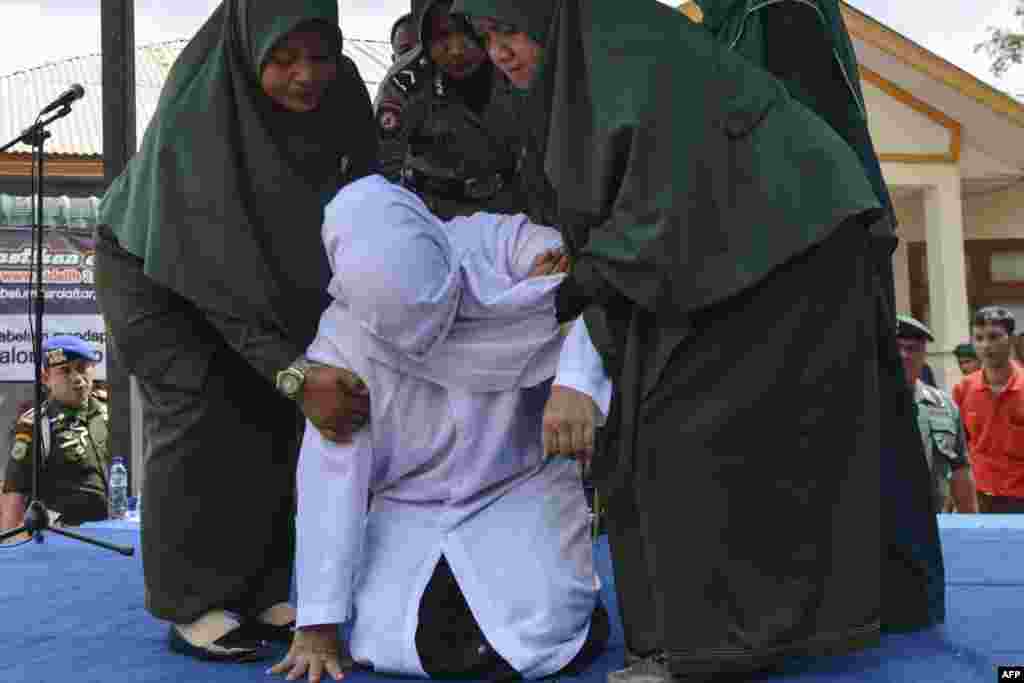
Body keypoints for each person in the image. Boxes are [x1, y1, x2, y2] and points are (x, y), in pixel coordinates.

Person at [460, 2, 889, 680]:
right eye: (487, 38)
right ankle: (673, 643)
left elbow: (658, 212)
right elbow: (623, 215)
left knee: (679, 430)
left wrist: (583, 305)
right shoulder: (578, 67)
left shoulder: (626, 48)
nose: (500, 52)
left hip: (788, 237)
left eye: (511, 30)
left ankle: (709, 650)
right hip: (714, 248)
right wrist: (582, 272)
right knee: (644, 429)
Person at [94, 0, 378, 663]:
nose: (306, 75)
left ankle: (261, 587)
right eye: (282, 59)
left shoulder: (345, 97)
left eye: (319, 54)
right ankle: (192, 602)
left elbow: (368, 201)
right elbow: (216, 288)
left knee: (273, 416)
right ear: (249, 51)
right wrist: (296, 372)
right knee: (201, 408)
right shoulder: (202, 116)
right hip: (157, 270)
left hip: (259, 280)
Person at [269, 175, 607, 682]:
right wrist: (318, 622)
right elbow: (330, 484)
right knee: (392, 642)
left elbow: (594, 295)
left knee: (538, 632)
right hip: (409, 505)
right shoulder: (341, 351)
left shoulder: (503, 245)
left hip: (520, 485)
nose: (424, 347)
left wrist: (576, 380)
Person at [693, 0, 946, 635]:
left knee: (827, 422)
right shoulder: (725, 26)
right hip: (787, 254)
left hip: (810, 252)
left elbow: (807, 148)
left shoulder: (779, 17)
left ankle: (844, 602)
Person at [374, 0, 531, 221]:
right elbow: (381, 174)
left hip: (510, 209)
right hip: (432, 216)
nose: (456, 50)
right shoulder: (404, 84)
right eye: (441, 35)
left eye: (468, 32)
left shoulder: (514, 62)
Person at [0, 336, 110, 538]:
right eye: (65, 371)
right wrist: (9, 555)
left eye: (82, 367)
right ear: (45, 378)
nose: (77, 378)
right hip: (64, 539)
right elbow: (14, 495)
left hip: (117, 535)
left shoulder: (109, 414)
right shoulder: (35, 425)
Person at [897, 315, 978, 514]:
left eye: (913, 348)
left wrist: (971, 527)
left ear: (924, 355)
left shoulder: (944, 406)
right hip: (876, 530)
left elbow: (960, 472)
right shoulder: (863, 405)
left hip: (932, 527)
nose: (904, 355)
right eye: (897, 347)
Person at [953, 306, 1024, 513]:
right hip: (979, 498)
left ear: (1011, 339)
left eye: (994, 337)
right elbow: (958, 450)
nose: (986, 345)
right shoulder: (963, 389)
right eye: (979, 338)